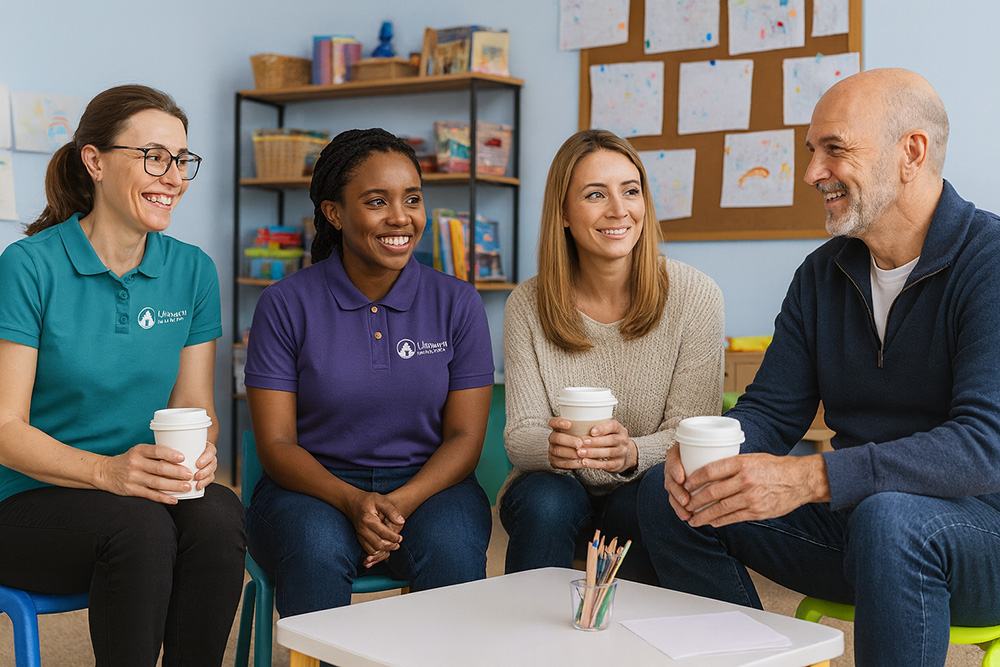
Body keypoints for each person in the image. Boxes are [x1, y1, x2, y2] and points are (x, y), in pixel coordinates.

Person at [637, 68, 1000, 666]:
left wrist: (809, 479)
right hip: (860, 530)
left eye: (835, 149)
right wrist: (709, 454)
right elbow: (771, 410)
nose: (812, 173)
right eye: (812, 152)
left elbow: (984, 446)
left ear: (912, 152)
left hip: (976, 536)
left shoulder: (988, 261)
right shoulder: (820, 275)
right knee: (670, 497)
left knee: (892, 520)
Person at [0, 85, 246, 667]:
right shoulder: (29, 266)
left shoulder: (192, 271)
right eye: (154, 157)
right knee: (140, 529)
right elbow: (4, 427)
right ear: (95, 161)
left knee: (219, 514)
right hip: (29, 502)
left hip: (142, 493)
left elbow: (195, 406)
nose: (174, 177)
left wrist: (204, 450)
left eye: (182, 160)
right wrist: (108, 472)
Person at [244, 128, 495, 616]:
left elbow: (465, 438)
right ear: (334, 213)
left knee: (451, 550)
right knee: (316, 551)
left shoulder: (458, 303)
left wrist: (397, 502)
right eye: (377, 201)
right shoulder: (283, 304)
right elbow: (276, 447)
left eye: (412, 199)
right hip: (312, 488)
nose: (400, 217)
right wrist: (352, 500)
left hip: (430, 485)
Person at [500, 129, 725, 583]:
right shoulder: (527, 304)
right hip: (553, 484)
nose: (619, 210)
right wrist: (554, 447)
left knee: (644, 505)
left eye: (630, 191)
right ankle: (525, 644)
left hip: (646, 484)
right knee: (547, 501)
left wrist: (629, 453)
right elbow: (519, 436)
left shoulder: (695, 295)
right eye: (595, 194)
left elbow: (691, 433)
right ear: (563, 213)